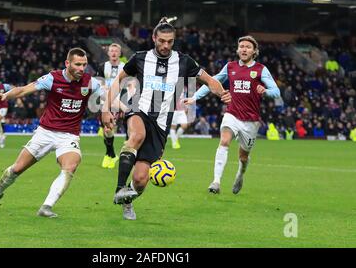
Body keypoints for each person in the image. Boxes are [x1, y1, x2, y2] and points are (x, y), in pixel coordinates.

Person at [102, 17, 231, 220]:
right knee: (136, 135)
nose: (165, 45)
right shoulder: (140, 58)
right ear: (154, 38)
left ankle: (127, 199)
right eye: (161, 40)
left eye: (170, 41)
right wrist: (105, 109)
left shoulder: (184, 61)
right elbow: (118, 82)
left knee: (141, 179)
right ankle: (119, 188)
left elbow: (208, 79)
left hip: (161, 124)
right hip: (139, 110)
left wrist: (222, 92)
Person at [0, 48, 103, 218]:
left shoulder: (90, 82)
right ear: (68, 64)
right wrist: (5, 96)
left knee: (70, 167)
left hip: (69, 136)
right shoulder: (52, 78)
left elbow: (107, 96)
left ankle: (46, 207)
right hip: (45, 133)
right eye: (78, 64)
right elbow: (22, 90)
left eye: (84, 65)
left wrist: (111, 109)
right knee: (15, 170)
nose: (82, 68)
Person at [186, 35, 280, 195]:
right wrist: (194, 97)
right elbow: (212, 82)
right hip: (232, 114)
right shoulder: (230, 67)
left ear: (254, 51)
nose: (244, 49)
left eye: (248, 47)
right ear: (237, 50)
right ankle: (216, 181)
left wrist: (265, 91)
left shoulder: (260, 69)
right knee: (224, 141)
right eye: (241, 46)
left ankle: (241, 173)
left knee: (243, 157)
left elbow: (276, 92)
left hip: (251, 120)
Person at [95, 43, 125, 169]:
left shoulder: (125, 67)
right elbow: (98, 83)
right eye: (111, 51)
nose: (113, 53)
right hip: (105, 101)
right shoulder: (103, 67)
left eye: (116, 51)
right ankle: (111, 154)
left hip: (118, 101)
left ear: (119, 53)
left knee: (109, 129)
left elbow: (130, 84)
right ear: (108, 53)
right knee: (107, 130)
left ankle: (111, 155)